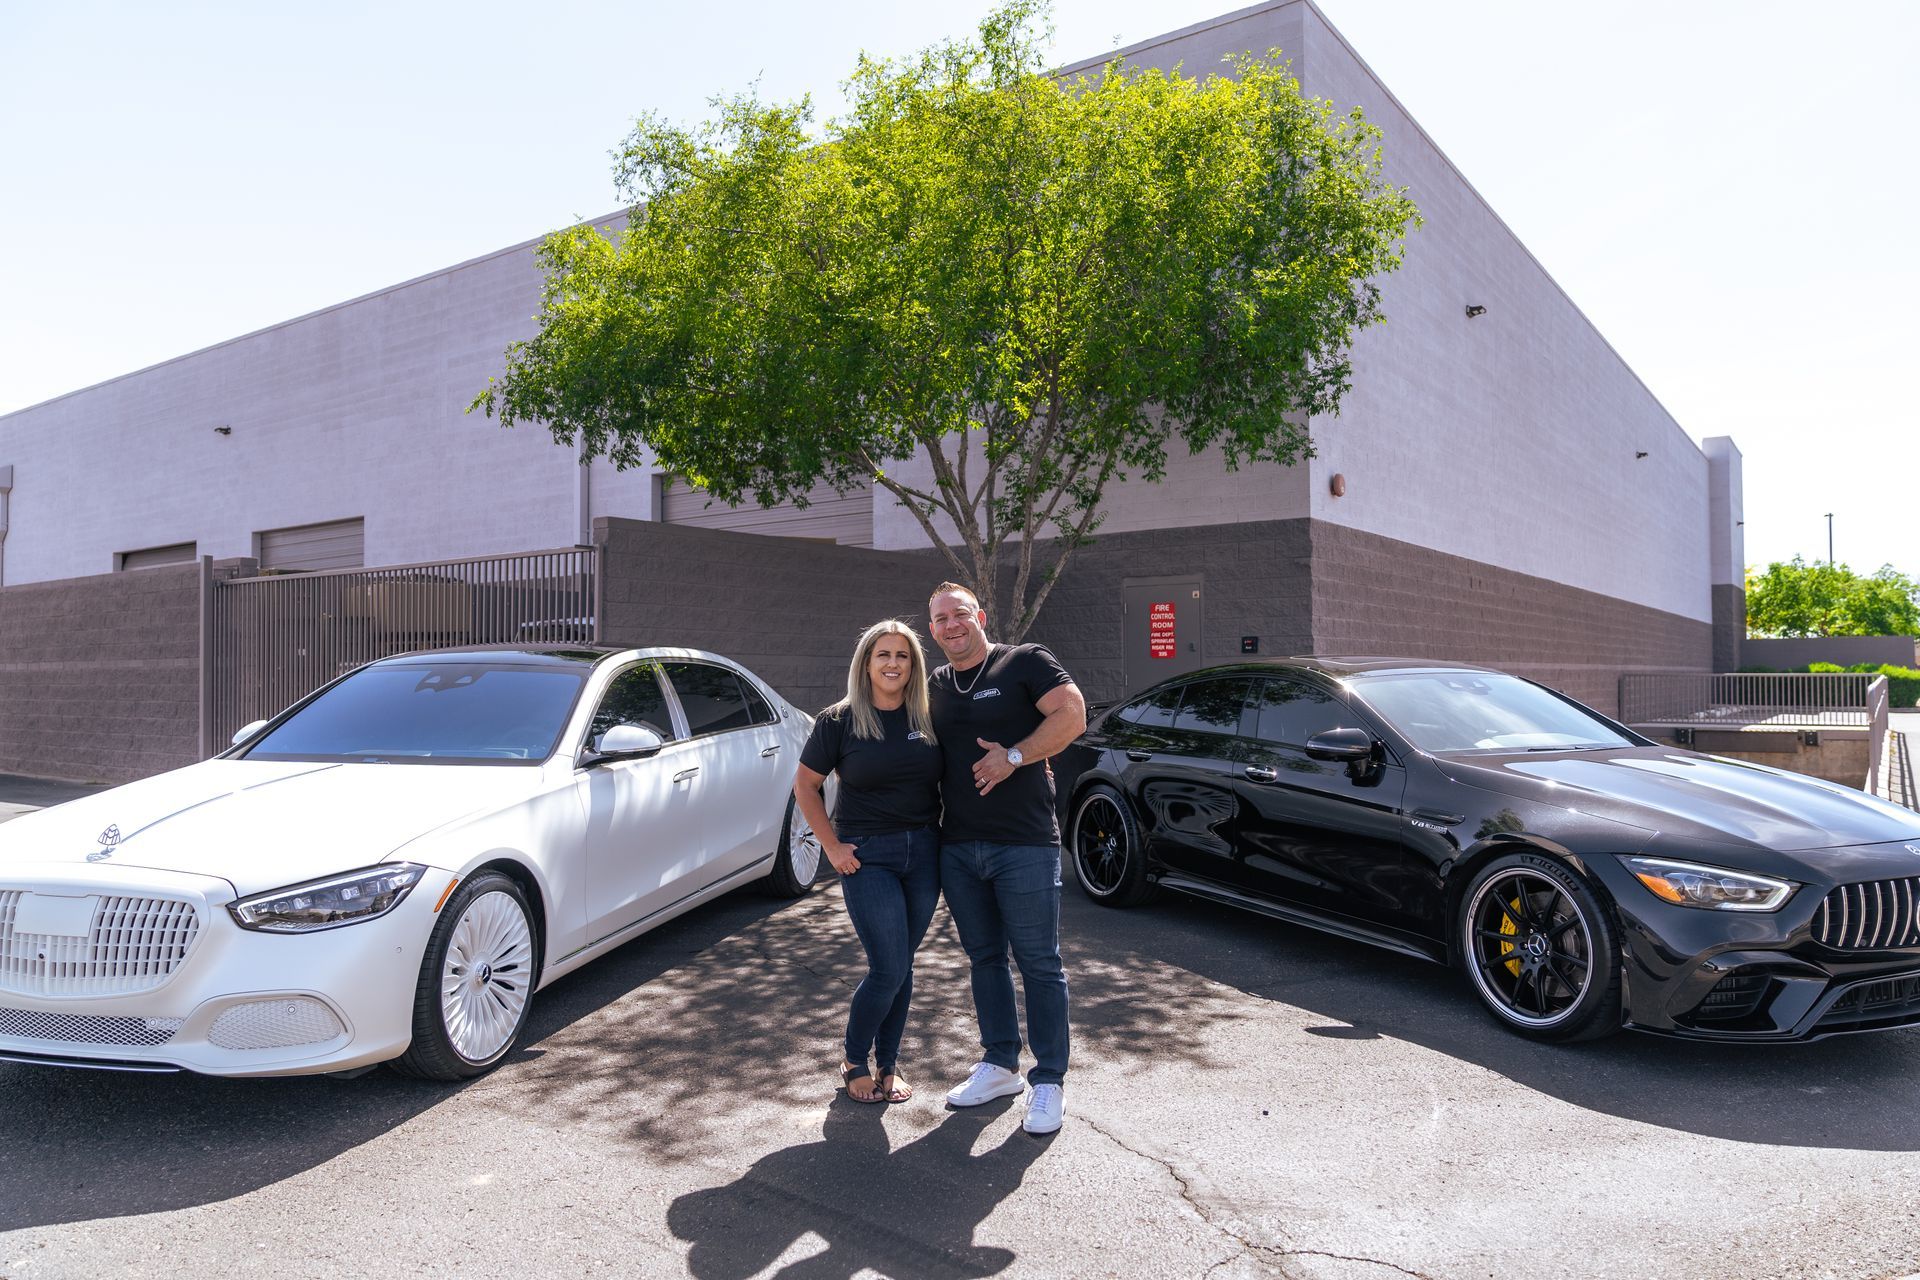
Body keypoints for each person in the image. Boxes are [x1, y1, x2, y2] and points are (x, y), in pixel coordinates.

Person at [926, 582, 1087, 1135]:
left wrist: (1016, 757)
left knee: (1040, 962)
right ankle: (999, 1065)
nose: (951, 625)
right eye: (941, 619)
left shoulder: (1023, 662)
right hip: (958, 846)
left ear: (981, 617)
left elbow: (1072, 715)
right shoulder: (936, 687)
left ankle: (1049, 1081)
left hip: (1024, 845)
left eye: (960, 614)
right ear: (932, 630)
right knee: (985, 959)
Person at [793, 619, 944, 1104]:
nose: (894, 664)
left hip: (924, 852)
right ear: (867, 662)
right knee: (888, 966)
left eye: (903, 655)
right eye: (884, 654)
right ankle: (855, 1059)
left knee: (903, 965)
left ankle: (890, 1064)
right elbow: (806, 786)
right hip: (866, 855)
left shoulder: (928, 715)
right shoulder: (838, 719)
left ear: (913, 664)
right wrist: (831, 847)